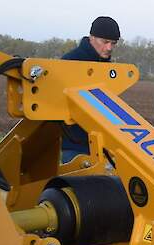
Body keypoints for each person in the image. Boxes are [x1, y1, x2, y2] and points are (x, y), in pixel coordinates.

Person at [60, 16, 120, 163]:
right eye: (105, 42)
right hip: (75, 146)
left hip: (104, 146)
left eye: (113, 43)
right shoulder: (69, 62)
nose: (109, 48)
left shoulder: (108, 68)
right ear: (91, 37)